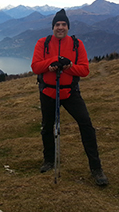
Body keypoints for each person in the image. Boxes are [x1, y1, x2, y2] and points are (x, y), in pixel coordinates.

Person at [31, 9, 108, 186]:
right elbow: (35, 67)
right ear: (53, 27)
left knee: (86, 124)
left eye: (63, 24)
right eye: (57, 24)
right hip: (48, 92)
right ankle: (49, 160)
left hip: (70, 92)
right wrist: (52, 63)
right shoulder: (42, 43)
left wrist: (68, 66)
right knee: (47, 127)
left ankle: (96, 168)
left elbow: (84, 70)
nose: (60, 27)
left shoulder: (76, 44)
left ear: (68, 27)